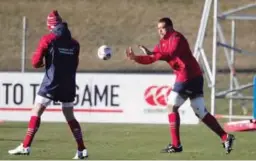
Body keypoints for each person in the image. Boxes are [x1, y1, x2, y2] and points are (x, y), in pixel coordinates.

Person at [126, 17, 235, 154]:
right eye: (158, 28)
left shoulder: (177, 38)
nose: (160, 31)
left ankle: (176, 145)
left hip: (187, 76)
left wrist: (154, 53)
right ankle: (225, 137)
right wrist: (136, 58)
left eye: (163, 28)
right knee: (200, 111)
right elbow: (151, 58)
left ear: (170, 27)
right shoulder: (161, 44)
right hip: (194, 77)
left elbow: (171, 53)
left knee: (172, 106)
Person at [8, 10, 88, 159]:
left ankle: (25, 146)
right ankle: (81, 149)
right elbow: (74, 64)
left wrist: (41, 64)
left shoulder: (48, 39)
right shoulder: (74, 43)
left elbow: (35, 61)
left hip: (52, 82)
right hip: (69, 83)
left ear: (50, 25)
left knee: (36, 111)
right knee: (69, 115)